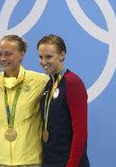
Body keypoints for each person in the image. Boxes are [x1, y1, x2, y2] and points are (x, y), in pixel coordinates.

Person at [0, 34, 48, 167]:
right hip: (0, 161)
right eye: (0, 54)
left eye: (8, 54)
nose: (3, 58)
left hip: (30, 161)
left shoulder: (40, 81)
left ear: (22, 54)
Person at [37, 34, 90, 167]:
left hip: (68, 162)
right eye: (40, 57)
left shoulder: (73, 82)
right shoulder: (49, 84)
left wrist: (71, 165)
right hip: (50, 161)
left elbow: (80, 132)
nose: (44, 62)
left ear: (62, 55)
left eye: (49, 57)